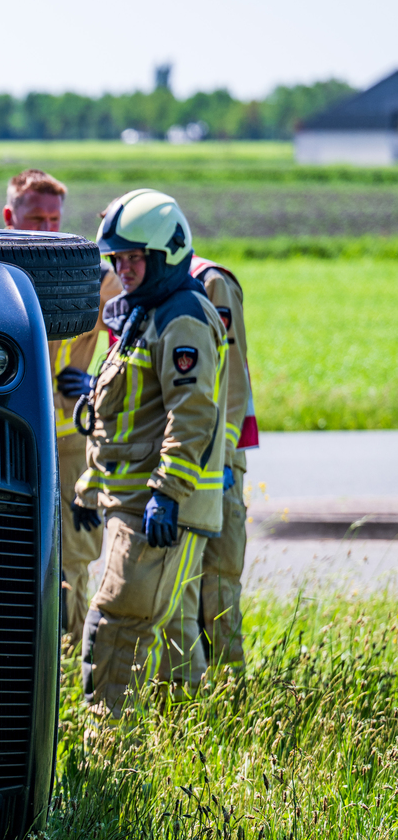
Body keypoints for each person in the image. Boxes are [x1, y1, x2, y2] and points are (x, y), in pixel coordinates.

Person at [72, 189, 227, 717]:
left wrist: (167, 494)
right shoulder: (145, 313)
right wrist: (90, 486)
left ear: (167, 255)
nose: (123, 270)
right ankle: (176, 737)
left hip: (154, 509)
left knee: (116, 627)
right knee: (163, 636)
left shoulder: (181, 318)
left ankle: (109, 748)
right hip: (131, 501)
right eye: (117, 259)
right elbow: (124, 417)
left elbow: (192, 416)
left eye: (134, 258)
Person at [3, 170, 122, 652]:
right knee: (13, 552)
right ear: (10, 218)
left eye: (54, 219)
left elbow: (137, 336)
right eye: (35, 219)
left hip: (72, 439)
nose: (46, 231)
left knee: (73, 554)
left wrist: (98, 381)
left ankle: (68, 656)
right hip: (12, 437)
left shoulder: (90, 277)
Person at [189, 254, 254, 674]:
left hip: (218, 464)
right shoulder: (132, 281)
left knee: (217, 583)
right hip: (178, 462)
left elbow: (232, 377)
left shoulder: (210, 282)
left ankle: (231, 698)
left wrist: (224, 457)